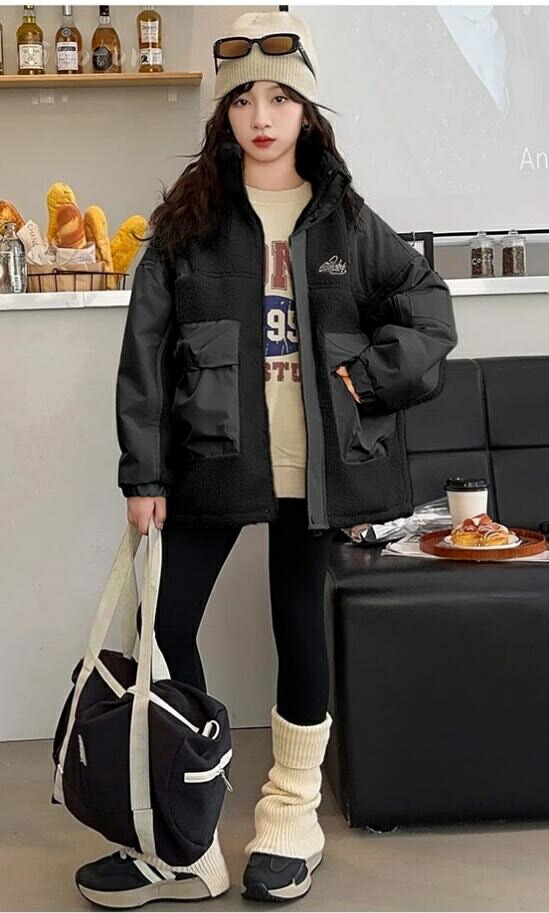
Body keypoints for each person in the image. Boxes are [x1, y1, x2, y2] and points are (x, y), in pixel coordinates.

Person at [74, 10, 458, 908]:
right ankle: (189, 834)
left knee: (297, 629)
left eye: (279, 98)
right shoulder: (188, 224)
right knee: (164, 625)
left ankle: (289, 816)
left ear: (306, 112)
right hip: (211, 458)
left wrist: (363, 380)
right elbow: (143, 354)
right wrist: (143, 474)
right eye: (243, 98)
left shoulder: (346, 220)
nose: (261, 115)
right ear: (224, 112)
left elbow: (429, 309)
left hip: (314, 470)